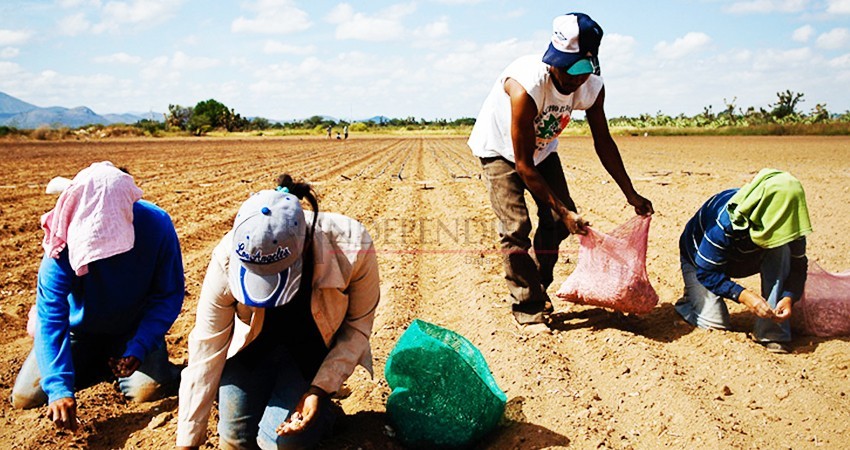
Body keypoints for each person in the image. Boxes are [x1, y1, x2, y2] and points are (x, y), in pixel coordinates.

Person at [467, 12, 653, 327]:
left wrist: (630, 193)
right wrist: (565, 210)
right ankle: (528, 309)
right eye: (560, 63)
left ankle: (535, 286)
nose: (566, 75)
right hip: (499, 149)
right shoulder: (526, 86)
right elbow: (523, 165)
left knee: (557, 223)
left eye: (576, 68)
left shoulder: (592, 88)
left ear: (591, 64)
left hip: (542, 150)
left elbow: (603, 142)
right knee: (516, 227)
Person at [176, 174, 380, 449]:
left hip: (311, 354)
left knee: (279, 442)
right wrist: (186, 442)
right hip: (252, 351)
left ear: (304, 244)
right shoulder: (227, 257)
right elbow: (206, 346)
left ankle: (327, 415)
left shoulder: (351, 245)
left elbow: (357, 326)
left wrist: (319, 388)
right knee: (234, 440)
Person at [10, 161, 185, 431]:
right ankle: (96, 364)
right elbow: (51, 315)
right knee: (26, 398)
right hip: (77, 332)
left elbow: (168, 295)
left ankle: (146, 367)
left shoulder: (156, 226)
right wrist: (58, 387)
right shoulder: (65, 233)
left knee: (146, 393)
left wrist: (139, 345)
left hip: (131, 329)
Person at [676, 169, 811, 354]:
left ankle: (772, 331)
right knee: (714, 323)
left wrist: (788, 297)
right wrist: (745, 296)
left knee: (782, 250)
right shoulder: (725, 220)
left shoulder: (789, 222)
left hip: (746, 257)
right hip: (700, 262)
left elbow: (798, 266)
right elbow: (707, 272)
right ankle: (689, 301)